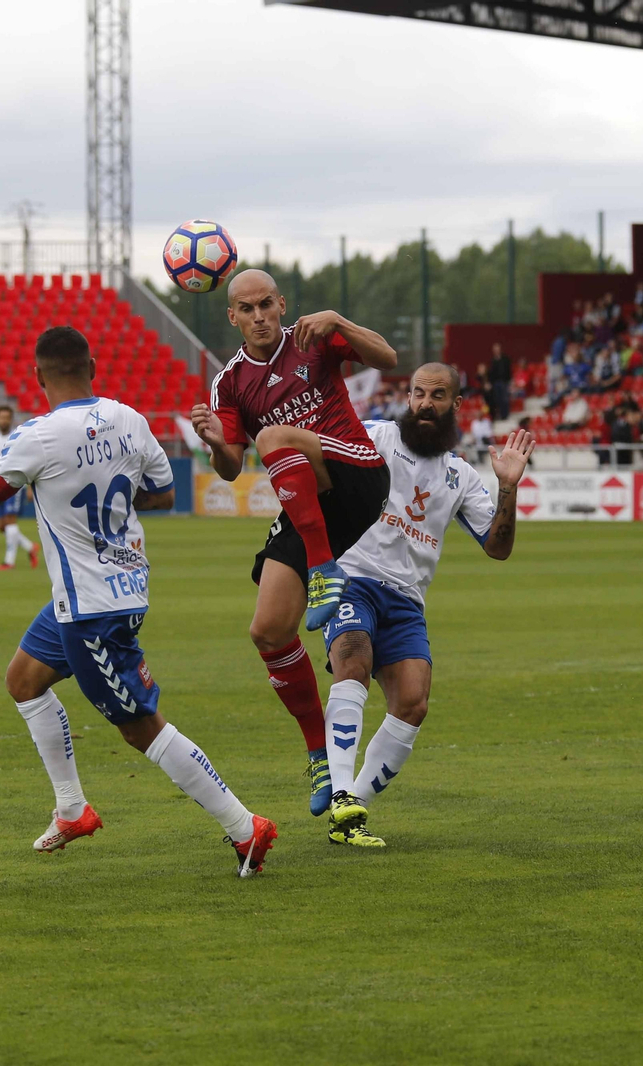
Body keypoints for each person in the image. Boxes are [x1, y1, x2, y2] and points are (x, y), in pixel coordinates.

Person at [0, 326, 278, 877]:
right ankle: (72, 808)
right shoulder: (130, 418)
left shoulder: (37, 436)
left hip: (93, 610)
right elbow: (165, 492)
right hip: (105, 592)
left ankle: (245, 827)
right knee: (23, 681)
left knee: (140, 726)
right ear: (93, 366)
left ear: (38, 376)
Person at [189, 269, 397, 817]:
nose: (259, 317)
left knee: (275, 436)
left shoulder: (314, 336)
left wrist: (342, 323)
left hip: (358, 472)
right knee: (268, 629)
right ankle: (320, 753)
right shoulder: (229, 383)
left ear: (281, 304)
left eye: (266, 305)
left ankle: (325, 569)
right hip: (310, 503)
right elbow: (232, 468)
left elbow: (388, 358)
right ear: (231, 316)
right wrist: (214, 443)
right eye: (246, 309)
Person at [317, 363, 533, 847]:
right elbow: (317, 459)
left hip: (407, 600)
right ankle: (339, 792)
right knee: (351, 659)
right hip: (353, 577)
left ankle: (350, 813)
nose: (425, 403)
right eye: (417, 393)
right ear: (407, 397)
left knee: (413, 703)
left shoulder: (461, 475)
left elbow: (498, 547)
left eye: (437, 395)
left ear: (456, 405)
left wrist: (508, 486)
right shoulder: (374, 437)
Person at [0, 404, 39, 572]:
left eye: (7, 418)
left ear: (11, 420)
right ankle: (30, 547)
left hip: (14, 485)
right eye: (1, 417)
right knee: (2, 526)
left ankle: (9, 562)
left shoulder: (17, 437)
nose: (4, 421)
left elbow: (28, 462)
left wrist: (29, 486)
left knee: (10, 521)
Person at [487, 343, 513, 422]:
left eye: (497, 349)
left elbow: (509, 371)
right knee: (498, 399)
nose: (496, 351)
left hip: (504, 382)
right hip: (496, 383)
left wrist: (510, 381)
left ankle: (505, 415)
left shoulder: (505, 359)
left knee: (505, 398)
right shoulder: (492, 361)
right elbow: (491, 373)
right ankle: (500, 415)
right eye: (495, 350)